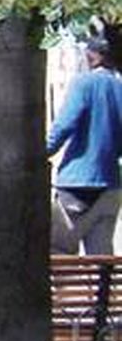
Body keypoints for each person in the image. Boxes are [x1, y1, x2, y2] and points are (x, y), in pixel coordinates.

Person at [48, 37, 122, 255]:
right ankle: (103, 290)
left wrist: (41, 151)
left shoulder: (83, 83)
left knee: (60, 251)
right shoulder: (119, 87)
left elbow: (64, 126)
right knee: (101, 257)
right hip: (110, 184)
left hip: (75, 183)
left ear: (91, 56)